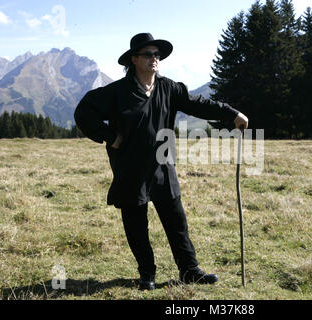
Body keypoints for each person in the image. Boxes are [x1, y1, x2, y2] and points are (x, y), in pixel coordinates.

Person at [74, 33, 249, 291]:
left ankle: (189, 270)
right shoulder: (116, 92)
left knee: (176, 221)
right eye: (148, 54)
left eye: (157, 54)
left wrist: (231, 113)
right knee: (136, 225)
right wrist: (110, 137)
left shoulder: (169, 88)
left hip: (163, 166)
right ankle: (147, 273)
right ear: (134, 60)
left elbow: (198, 104)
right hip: (130, 169)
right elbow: (83, 112)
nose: (154, 59)